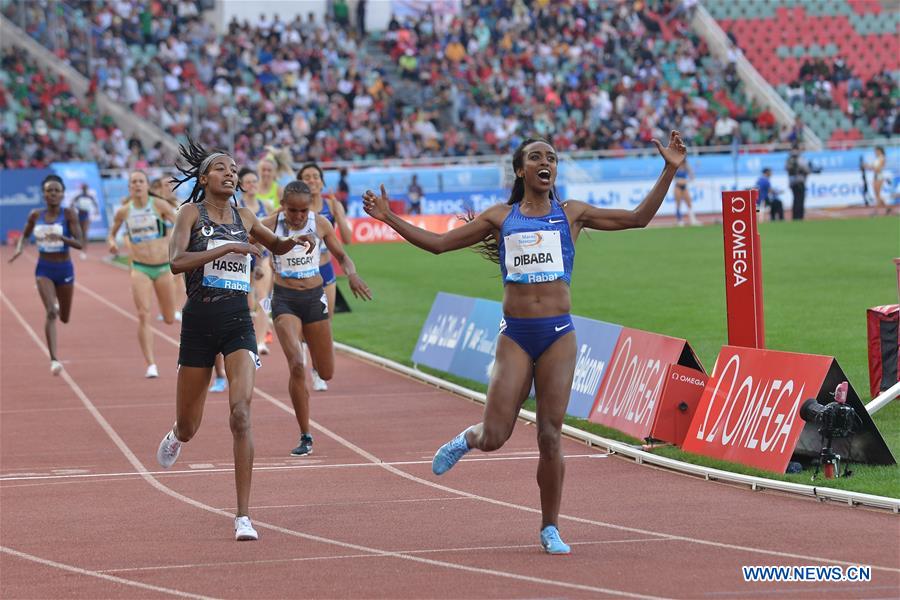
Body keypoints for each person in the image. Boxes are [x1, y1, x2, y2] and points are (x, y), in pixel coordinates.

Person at [362, 132, 687, 554]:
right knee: (497, 435)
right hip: (516, 336)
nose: (545, 161)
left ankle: (550, 527)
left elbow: (639, 217)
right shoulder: (501, 218)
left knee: (551, 435)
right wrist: (389, 218)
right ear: (521, 170)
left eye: (550, 157)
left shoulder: (573, 214)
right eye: (536, 157)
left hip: (558, 336)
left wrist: (669, 170)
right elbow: (440, 246)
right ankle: (469, 438)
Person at [155, 139, 315, 541]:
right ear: (205, 177)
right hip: (197, 324)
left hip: (236, 322)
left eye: (233, 168)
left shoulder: (245, 214)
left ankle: (243, 515)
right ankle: (177, 435)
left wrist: (292, 241)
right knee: (190, 425)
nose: (230, 173)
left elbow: (274, 243)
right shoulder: (189, 214)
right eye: (221, 168)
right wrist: (225, 247)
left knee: (241, 414)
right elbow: (176, 262)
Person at [260, 181, 372, 456]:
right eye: (292, 211)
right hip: (285, 300)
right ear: (283, 206)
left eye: (302, 210)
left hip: (314, 299)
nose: (298, 217)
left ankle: (315, 373)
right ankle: (305, 434)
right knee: (297, 364)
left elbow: (342, 256)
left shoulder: (320, 223)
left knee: (326, 372)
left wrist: (353, 274)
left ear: (309, 207)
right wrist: (254, 262)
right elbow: (247, 244)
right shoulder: (270, 224)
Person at [8, 174, 83, 375]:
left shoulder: (69, 215)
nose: (53, 194)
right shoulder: (35, 215)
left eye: (57, 190)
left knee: (65, 318)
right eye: (49, 190)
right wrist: (19, 248)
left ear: (63, 194)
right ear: (43, 194)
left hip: (65, 269)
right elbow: (24, 236)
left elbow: (81, 243)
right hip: (44, 269)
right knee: (51, 312)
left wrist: (61, 238)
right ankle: (54, 359)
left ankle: (58, 306)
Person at [107, 170, 179, 378]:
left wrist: (177, 239)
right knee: (143, 314)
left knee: (168, 318)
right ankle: (151, 364)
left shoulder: (159, 206)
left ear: (147, 185)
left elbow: (181, 224)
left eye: (141, 181)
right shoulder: (123, 211)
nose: (137, 185)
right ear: (129, 187)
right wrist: (112, 243)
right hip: (140, 268)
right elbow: (112, 234)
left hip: (163, 267)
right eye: (134, 182)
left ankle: (167, 317)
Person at [297, 163, 354, 391]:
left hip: (325, 270)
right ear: (300, 182)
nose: (312, 180)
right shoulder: (295, 206)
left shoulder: (331, 204)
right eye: (307, 177)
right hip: (300, 271)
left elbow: (347, 240)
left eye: (315, 177)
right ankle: (299, 364)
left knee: (324, 324)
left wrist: (339, 215)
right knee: (302, 327)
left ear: (322, 181)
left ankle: (317, 371)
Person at [237, 167, 274, 355]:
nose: (252, 185)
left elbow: (273, 232)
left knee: (263, 299)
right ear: (241, 185)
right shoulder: (236, 206)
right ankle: (244, 338)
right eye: (248, 182)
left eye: (254, 181)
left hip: (263, 257)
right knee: (245, 302)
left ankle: (261, 341)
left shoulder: (266, 206)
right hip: (242, 257)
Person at [785, 144, 811, 220]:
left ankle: (795, 217)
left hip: (792, 181)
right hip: (800, 180)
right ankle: (800, 216)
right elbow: (806, 169)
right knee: (801, 199)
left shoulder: (789, 159)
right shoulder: (800, 158)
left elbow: (786, 169)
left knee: (795, 199)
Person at [864, 146, 892, 216]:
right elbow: (874, 168)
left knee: (878, 195)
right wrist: (867, 166)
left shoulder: (882, 158)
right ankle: (888, 208)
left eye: (876, 151)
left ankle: (875, 211)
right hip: (876, 176)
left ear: (880, 151)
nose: (875, 152)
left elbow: (878, 169)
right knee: (877, 195)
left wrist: (870, 167)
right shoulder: (877, 159)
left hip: (879, 177)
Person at [72, 183, 96, 259]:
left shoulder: (90, 197)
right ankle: (80, 247)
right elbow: (72, 203)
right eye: (83, 188)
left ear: (87, 189)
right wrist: (75, 208)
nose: (84, 190)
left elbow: (95, 205)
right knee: (80, 233)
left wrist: (95, 214)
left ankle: (84, 251)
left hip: (86, 217)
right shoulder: (79, 196)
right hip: (79, 216)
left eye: (86, 188)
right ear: (82, 189)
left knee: (85, 233)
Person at [673, 160, 698, 226]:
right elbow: (676, 180)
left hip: (684, 187)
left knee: (689, 203)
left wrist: (691, 174)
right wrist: (686, 181)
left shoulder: (686, 165)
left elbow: (692, 176)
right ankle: (679, 220)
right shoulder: (675, 166)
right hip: (678, 187)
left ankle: (693, 220)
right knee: (678, 204)